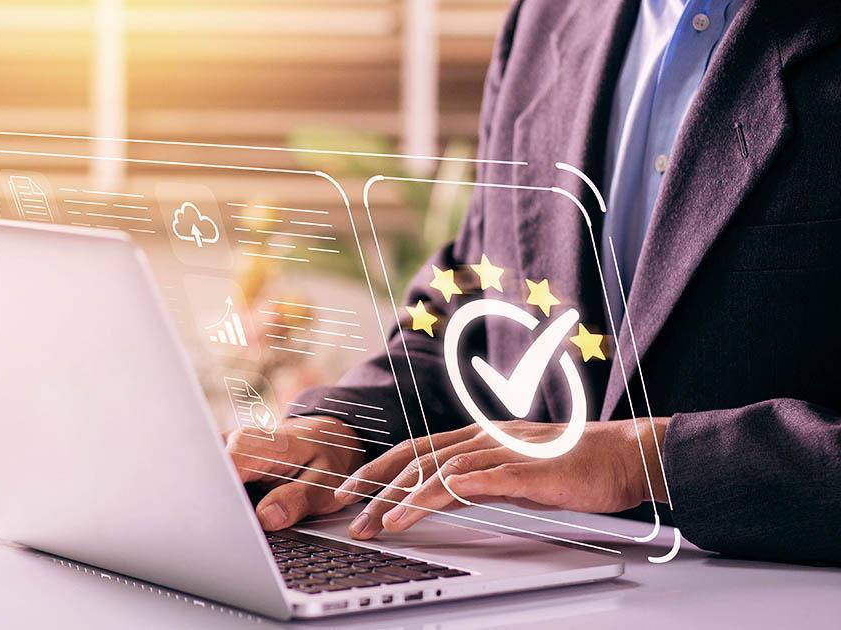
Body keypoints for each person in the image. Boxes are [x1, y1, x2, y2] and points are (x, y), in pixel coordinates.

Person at [227, 0, 841, 565]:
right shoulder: (546, 17)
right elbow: (466, 308)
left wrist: (646, 462)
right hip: (541, 589)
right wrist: (344, 430)